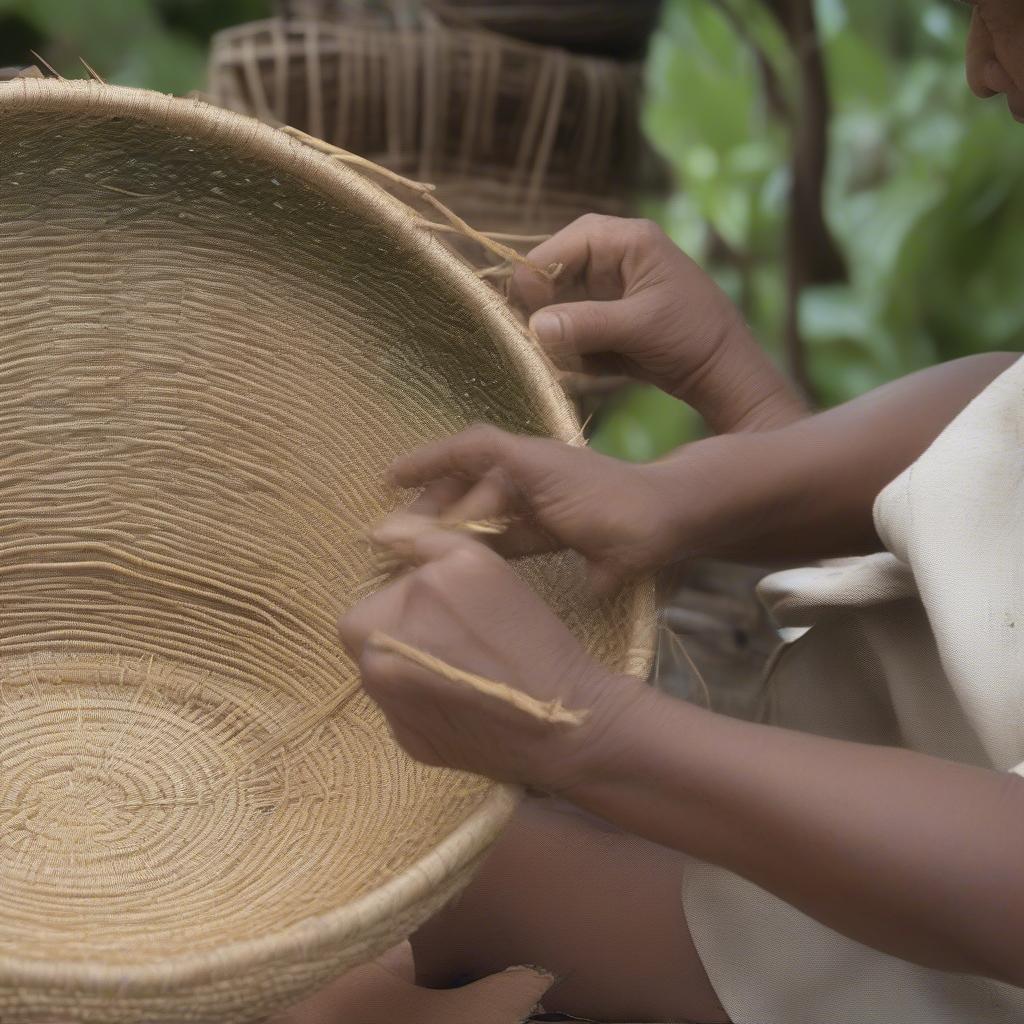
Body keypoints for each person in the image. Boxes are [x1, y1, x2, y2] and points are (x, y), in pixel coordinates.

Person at [321, 3, 1024, 1022]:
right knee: (395, 896)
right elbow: (999, 431)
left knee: (354, 981)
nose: (980, 66)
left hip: (923, 958)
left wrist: (587, 727)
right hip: (855, 916)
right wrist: (705, 459)